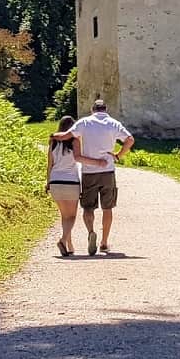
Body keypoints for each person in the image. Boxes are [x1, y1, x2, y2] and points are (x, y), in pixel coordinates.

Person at [69, 99, 133, 255]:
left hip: (89, 172)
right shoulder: (113, 123)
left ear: (93, 110)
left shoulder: (84, 122)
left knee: (88, 207)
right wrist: (118, 155)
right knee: (107, 207)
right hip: (108, 170)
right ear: (106, 109)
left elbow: (70, 135)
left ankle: (91, 232)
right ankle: (104, 242)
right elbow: (130, 140)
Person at [45, 116, 86, 257]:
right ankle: (63, 240)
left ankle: (69, 245)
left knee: (64, 216)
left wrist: (48, 182)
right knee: (72, 216)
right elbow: (79, 159)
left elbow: (49, 165)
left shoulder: (53, 143)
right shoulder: (75, 141)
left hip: (55, 182)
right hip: (71, 182)